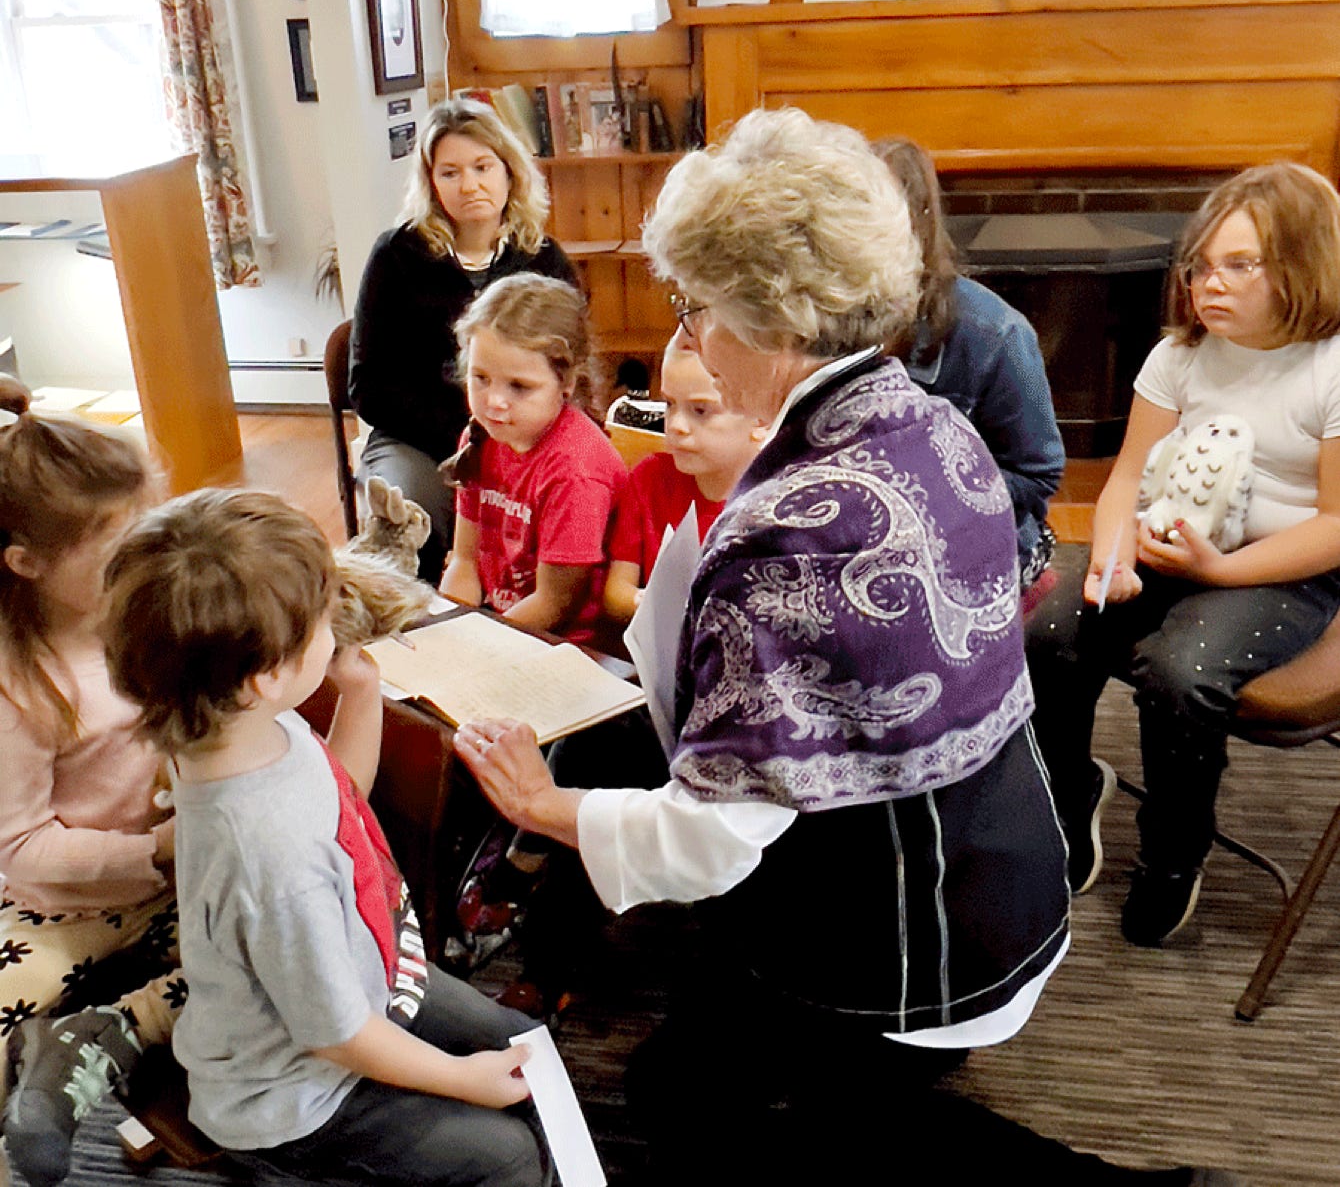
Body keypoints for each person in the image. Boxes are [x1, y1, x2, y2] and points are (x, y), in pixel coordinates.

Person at [454, 108, 1240, 1187]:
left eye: (694, 309)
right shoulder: (926, 419)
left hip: (922, 929)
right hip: (1003, 859)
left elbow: (710, 841)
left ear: (770, 320)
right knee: (726, 1050)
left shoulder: (787, 526)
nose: (687, 338)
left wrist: (535, 802)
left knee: (690, 1095)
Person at [101, 488, 549, 1187]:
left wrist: (360, 694)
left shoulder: (239, 733)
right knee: (508, 1157)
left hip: (359, 977)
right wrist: (465, 1081)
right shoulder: (267, 856)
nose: (335, 623)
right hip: (294, 1099)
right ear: (265, 676)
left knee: (523, 1046)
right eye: (319, 621)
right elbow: (337, 1035)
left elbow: (339, 801)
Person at [1027, 161, 1340, 945]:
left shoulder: (1330, 368)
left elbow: (1336, 523)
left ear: (1303, 264)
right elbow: (1126, 478)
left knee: (1182, 672)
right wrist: (1111, 558)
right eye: (1202, 266)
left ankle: (1174, 854)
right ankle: (1070, 798)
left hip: (1283, 568)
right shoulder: (1179, 355)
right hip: (1166, 550)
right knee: (1047, 632)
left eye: (1241, 266)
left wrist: (1219, 571)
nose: (1211, 284)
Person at [0, 384, 181, 1187]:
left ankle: (112, 1033)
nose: (144, 566)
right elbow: (25, 849)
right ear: (27, 563)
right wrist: (153, 850)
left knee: (279, 944)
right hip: (70, 895)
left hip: (175, 869)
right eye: (117, 554)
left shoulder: (140, 609)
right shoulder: (19, 689)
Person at [349, 96, 577, 585]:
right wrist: (463, 437)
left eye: (482, 167)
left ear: (508, 171)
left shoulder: (544, 258)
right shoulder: (395, 255)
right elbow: (368, 386)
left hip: (525, 434)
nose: (469, 185)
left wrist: (508, 436)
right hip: (419, 441)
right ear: (431, 183)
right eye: (450, 172)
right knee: (408, 513)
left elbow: (570, 363)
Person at [872, 136, 1065, 603]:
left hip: (972, 546)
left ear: (916, 223)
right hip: (872, 536)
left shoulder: (996, 334)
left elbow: (1038, 474)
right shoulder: (824, 319)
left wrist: (932, 493)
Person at [441, 273, 627, 644]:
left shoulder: (576, 470)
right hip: (502, 625)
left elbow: (554, 603)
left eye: (519, 386)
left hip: (569, 646)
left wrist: (478, 644)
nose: (494, 402)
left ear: (567, 382)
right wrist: (448, 632)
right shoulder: (481, 437)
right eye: (480, 378)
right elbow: (464, 561)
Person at [603, 336, 761, 623]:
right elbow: (616, 592)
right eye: (670, 404)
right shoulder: (649, 479)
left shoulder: (774, 500)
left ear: (760, 420)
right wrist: (646, 602)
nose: (675, 425)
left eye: (700, 410)